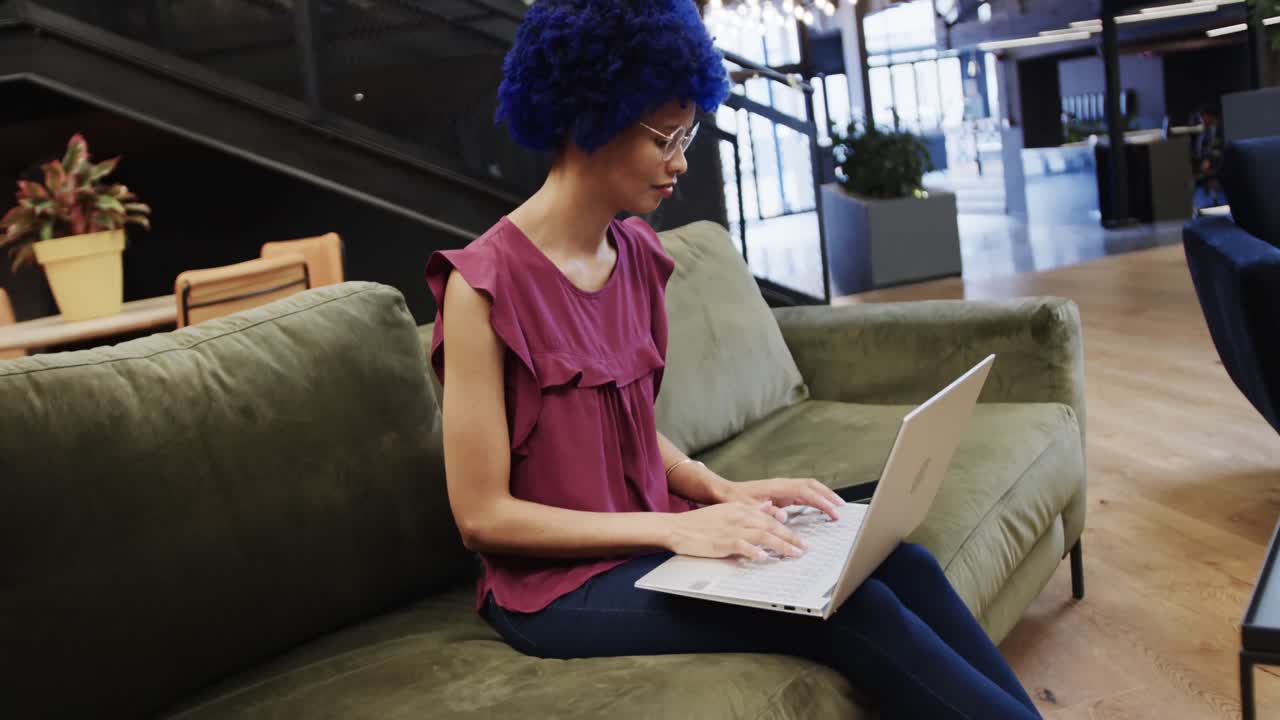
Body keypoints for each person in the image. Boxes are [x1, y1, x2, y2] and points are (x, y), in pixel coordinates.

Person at [424, 2, 1042, 718]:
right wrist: (674, 528)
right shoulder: (481, 287)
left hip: (655, 533)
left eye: (687, 134)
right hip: (558, 587)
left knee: (901, 560)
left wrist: (720, 488)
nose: (680, 162)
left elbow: (614, 427)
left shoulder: (636, 259)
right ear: (589, 114)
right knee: (852, 610)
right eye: (666, 137)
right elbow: (481, 516)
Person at [1192, 103, 1226, 210]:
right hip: (1205, 164)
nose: (1202, 120)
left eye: (1203, 117)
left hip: (1219, 162)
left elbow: (1220, 147)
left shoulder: (1222, 128)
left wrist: (1209, 159)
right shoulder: (1203, 131)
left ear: (1210, 116)